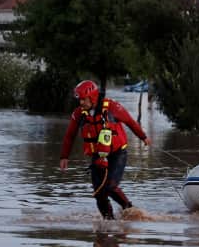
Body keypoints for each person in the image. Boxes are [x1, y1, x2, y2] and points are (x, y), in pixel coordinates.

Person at [60, 80, 151, 220]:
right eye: (80, 100)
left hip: (117, 153)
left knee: (110, 186)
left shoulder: (112, 107)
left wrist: (143, 137)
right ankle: (108, 223)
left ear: (93, 97)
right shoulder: (79, 114)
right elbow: (69, 136)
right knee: (99, 193)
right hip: (98, 155)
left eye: (84, 99)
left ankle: (129, 209)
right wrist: (64, 157)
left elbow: (130, 122)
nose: (81, 103)